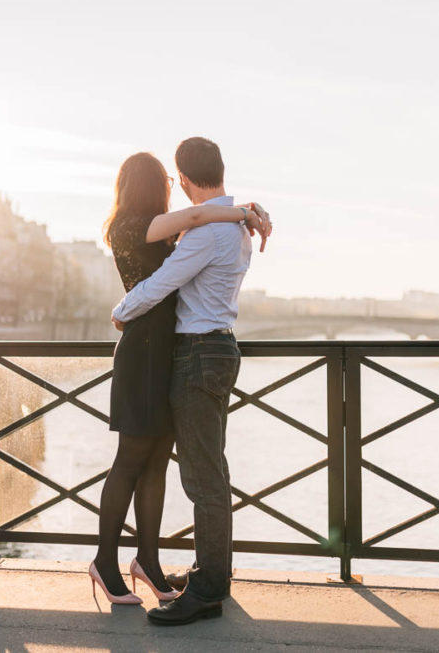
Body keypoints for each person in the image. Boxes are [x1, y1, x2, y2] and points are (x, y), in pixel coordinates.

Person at [89, 151, 270, 605]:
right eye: (164, 181)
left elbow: (194, 225)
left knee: (156, 462)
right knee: (130, 457)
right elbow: (194, 217)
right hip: (142, 353)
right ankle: (105, 562)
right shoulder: (129, 227)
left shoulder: (166, 229)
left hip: (168, 352)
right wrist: (243, 212)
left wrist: (245, 212)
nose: (172, 187)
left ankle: (147, 563)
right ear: (153, 186)